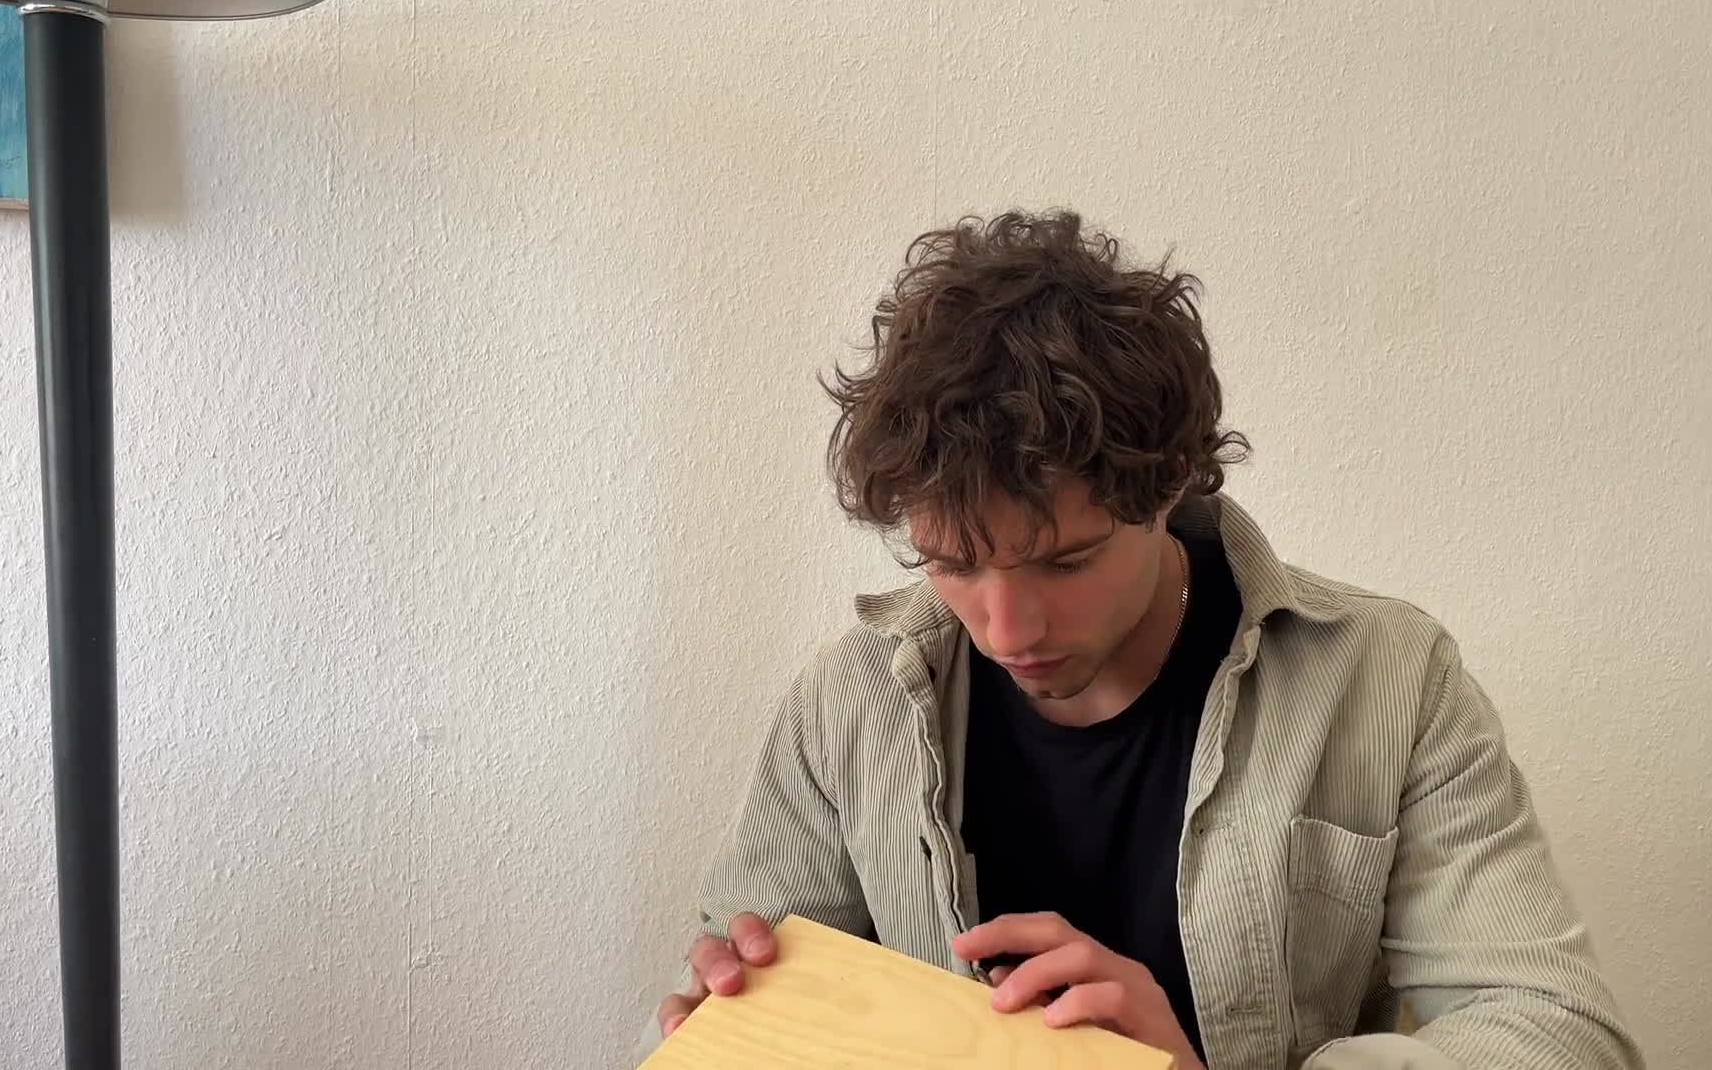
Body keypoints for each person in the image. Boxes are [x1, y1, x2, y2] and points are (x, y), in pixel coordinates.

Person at [646, 210, 1642, 1069]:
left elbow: (1561, 1034)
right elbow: (750, 988)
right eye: (952, 564)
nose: (1006, 630)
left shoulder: (1388, 678)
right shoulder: (851, 700)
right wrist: (728, 1023)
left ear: (1168, 483)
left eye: (1064, 563)